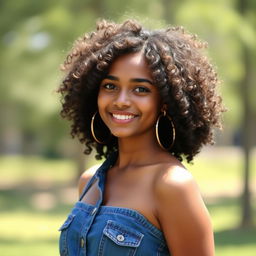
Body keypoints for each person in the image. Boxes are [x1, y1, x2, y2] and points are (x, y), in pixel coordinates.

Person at [57, 19, 225, 256]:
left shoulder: (172, 185)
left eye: (141, 89)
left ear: (165, 102)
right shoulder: (90, 181)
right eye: (110, 86)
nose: (121, 100)